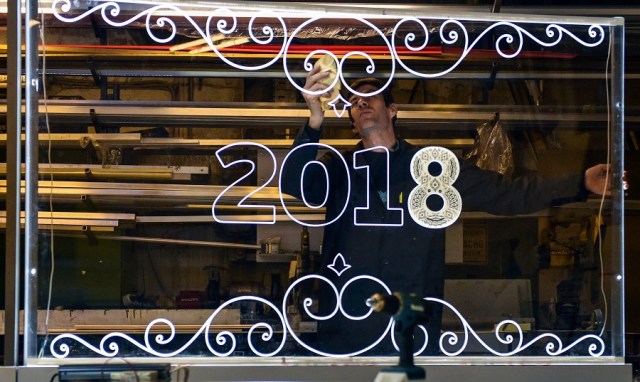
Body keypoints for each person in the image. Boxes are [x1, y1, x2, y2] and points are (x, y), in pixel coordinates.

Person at [279, 65, 627, 356]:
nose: (361, 103)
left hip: (410, 332)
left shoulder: (431, 166)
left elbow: (505, 194)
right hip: (345, 329)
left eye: (370, 95)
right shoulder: (339, 168)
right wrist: (314, 117)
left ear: (393, 109)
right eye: (353, 102)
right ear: (352, 120)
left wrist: (579, 184)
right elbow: (295, 185)